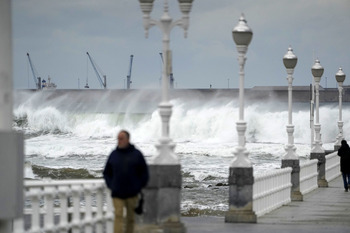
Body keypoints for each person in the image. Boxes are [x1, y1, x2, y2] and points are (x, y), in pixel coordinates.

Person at [103, 130, 149, 233]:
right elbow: (106, 173)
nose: (119, 141)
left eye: (121, 138)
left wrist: (139, 186)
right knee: (118, 216)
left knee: (130, 218)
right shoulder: (113, 154)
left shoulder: (136, 154)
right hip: (117, 193)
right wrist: (111, 185)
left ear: (128, 139)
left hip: (132, 193)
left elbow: (144, 173)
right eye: (118, 139)